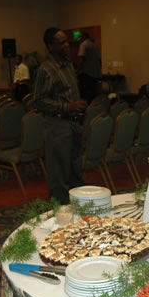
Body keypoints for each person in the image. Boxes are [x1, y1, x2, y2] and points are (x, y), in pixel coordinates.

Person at [33, 27, 87, 204]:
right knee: (59, 175)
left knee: (75, 171)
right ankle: (60, 216)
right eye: (61, 42)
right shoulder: (46, 69)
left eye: (67, 42)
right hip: (57, 126)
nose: (66, 45)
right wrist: (68, 106)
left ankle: (79, 210)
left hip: (73, 124)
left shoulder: (68, 65)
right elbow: (39, 102)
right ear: (50, 46)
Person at [77, 32, 102, 103]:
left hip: (86, 75)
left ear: (84, 37)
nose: (79, 39)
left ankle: (86, 111)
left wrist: (78, 71)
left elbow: (82, 59)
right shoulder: (95, 46)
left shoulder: (83, 45)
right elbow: (99, 61)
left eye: (80, 37)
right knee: (93, 96)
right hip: (95, 76)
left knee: (84, 96)